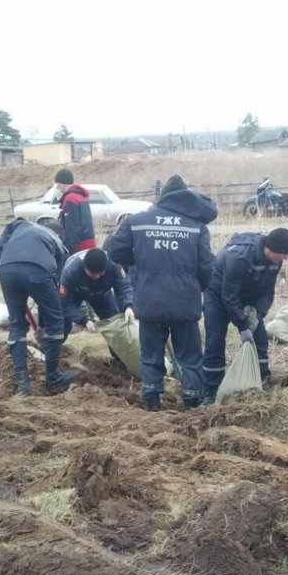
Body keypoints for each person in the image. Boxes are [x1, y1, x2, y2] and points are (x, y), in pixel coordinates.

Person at [105, 173, 217, 411]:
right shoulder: (196, 227)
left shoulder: (138, 221)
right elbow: (207, 267)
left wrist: (138, 263)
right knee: (189, 355)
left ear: (163, 196)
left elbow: (113, 251)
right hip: (185, 303)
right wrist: (198, 287)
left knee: (151, 353)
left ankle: (152, 400)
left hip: (149, 300)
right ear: (186, 198)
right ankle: (191, 400)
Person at [201, 228, 288, 401]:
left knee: (259, 338)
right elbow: (228, 295)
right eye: (284, 254)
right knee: (214, 341)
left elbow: (268, 292)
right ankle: (211, 388)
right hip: (217, 295)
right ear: (272, 249)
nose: (286, 258)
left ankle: (261, 378)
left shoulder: (275, 261)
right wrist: (243, 326)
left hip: (246, 297)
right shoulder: (239, 257)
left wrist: (257, 315)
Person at [0, 216, 78, 396]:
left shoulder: (20, 225)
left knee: (16, 325)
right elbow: (56, 287)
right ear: (59, 234)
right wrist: (45, 326)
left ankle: (23, 384)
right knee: (56, 321)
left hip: (7, 270)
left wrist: (14, 274)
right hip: (38, 271)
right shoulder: (58, 244)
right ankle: (53, 377)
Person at [59, 247, 135, 367]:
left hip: (102, 294)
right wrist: (84, 320)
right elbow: (65, 303)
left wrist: (128, 306)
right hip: (76, 293)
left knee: (113, 322)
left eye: (101, 273)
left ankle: (119, 360)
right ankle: (55, 355)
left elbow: (124, 287)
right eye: (93, 273)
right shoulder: (70, 271)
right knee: (62, 322)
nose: (97, 276)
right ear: (84, 268)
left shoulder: (113, 265)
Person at [54, 167, 97, 253]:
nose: (57, 188)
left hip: (79, 247)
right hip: (89, 244)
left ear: (62, 184)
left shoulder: (70, 199)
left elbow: (72, 229)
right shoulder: (81, 196)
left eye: (57, 185)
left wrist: (69, 252)